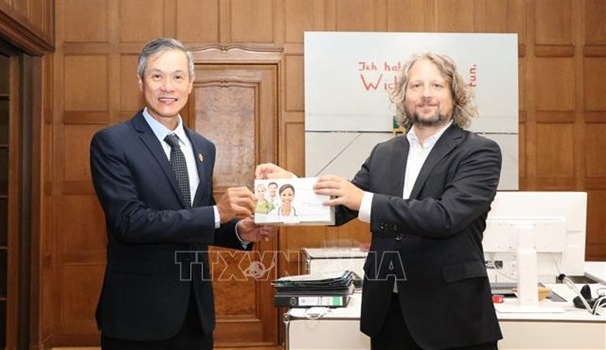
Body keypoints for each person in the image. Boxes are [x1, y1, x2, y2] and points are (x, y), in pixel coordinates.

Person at [256, 52, 503, 350]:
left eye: (436, 85)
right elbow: (341, 207)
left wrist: (365, 200)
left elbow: (445, 216)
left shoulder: (479, 152)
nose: (426, 94)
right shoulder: (384, 153)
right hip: (388, 314)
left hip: (451, 317)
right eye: (416, 86)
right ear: (403, 94)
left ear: (455, 95)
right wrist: (295, 186)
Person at [90, 37, 274, 349]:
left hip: (195, 315)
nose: (168, 87)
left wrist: (239, 231)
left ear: (190, 84)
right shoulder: (112, 143)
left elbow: (195, 221)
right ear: (141, 81)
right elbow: (129, 222)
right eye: (157, 76)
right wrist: (218, 212)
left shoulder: (203, 147)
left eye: (177, 77)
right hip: (139, 317)